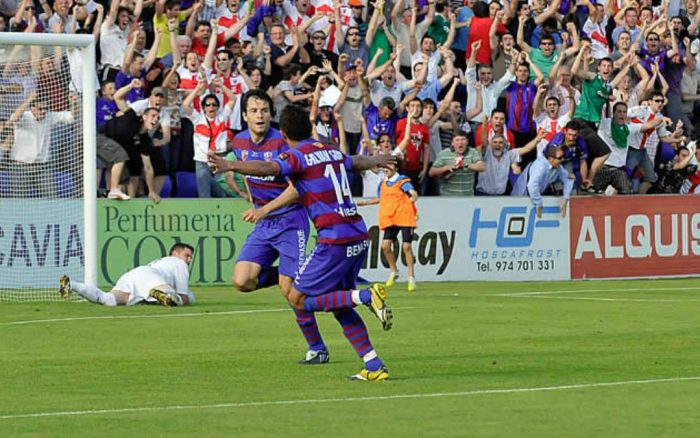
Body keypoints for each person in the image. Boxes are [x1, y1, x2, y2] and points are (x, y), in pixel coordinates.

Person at [209, 104, 396, 381]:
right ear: (310, 128)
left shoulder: (297, 156)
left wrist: (231, 164)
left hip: (334, 240)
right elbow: (354, 161)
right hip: (357, 234)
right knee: (338, 305)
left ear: (283, 134)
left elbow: (268, 167)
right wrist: (377, 160)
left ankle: (365, 295)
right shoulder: (330, 149)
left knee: (298, 298)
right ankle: (373, 365)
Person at [230, 89, 329, 366]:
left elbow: (298, 188)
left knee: (292, 293)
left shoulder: (283, 142)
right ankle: (292, 273)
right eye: (253, 110)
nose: (259, 115)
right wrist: (252, 198)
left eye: (264, 110)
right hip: (265, 223)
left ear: (271, 114)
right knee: (241, 281)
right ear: (244, 115)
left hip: (291, 219)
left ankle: (317, 348)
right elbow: (246, 173)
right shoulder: (238, 142)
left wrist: (263, 209)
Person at [59, 243, 195, 307]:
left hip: (133, 275)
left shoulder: (162, 262)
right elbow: (185, 297)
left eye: (190, 257)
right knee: (176, 298)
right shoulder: (179, 263)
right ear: (175, 254)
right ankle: (158, 295)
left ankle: (72, 285)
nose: (189, 260)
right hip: (149, 277)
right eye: (186, 255)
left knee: (108, 299)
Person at [357, 163, 419, 292]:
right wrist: (366, 203)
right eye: (385, 167)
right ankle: (394, 271)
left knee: (406, 246)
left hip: (404, 216)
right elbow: (382, 199)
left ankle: (411, 277)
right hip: (391, 217)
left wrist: (413, 198)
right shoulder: (383, 183)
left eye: (389, 166)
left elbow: (412, 193)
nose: (386, 169)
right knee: (385, 246)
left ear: (396, 168)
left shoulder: (401, 180)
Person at [511, 144, 573, 217]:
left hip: (534, 196)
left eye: (563, 157)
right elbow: (531, 186)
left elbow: (568, 179)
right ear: (550, 158)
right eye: (560, 158)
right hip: (520, 197)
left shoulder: (558, 167)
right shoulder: (540, 166)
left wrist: (565, 198)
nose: (563, 160)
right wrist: (539, 204)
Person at [429, 130, 485, 196]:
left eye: (463, 140)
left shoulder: (473, 152)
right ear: (452, 143)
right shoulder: (444, 153)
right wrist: (448, 167)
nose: (460, 143)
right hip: (448, 197)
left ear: (467, 142)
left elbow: (482, 167)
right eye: (457, 140)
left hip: (467, 197)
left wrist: (465, 164)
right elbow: (431, 172)